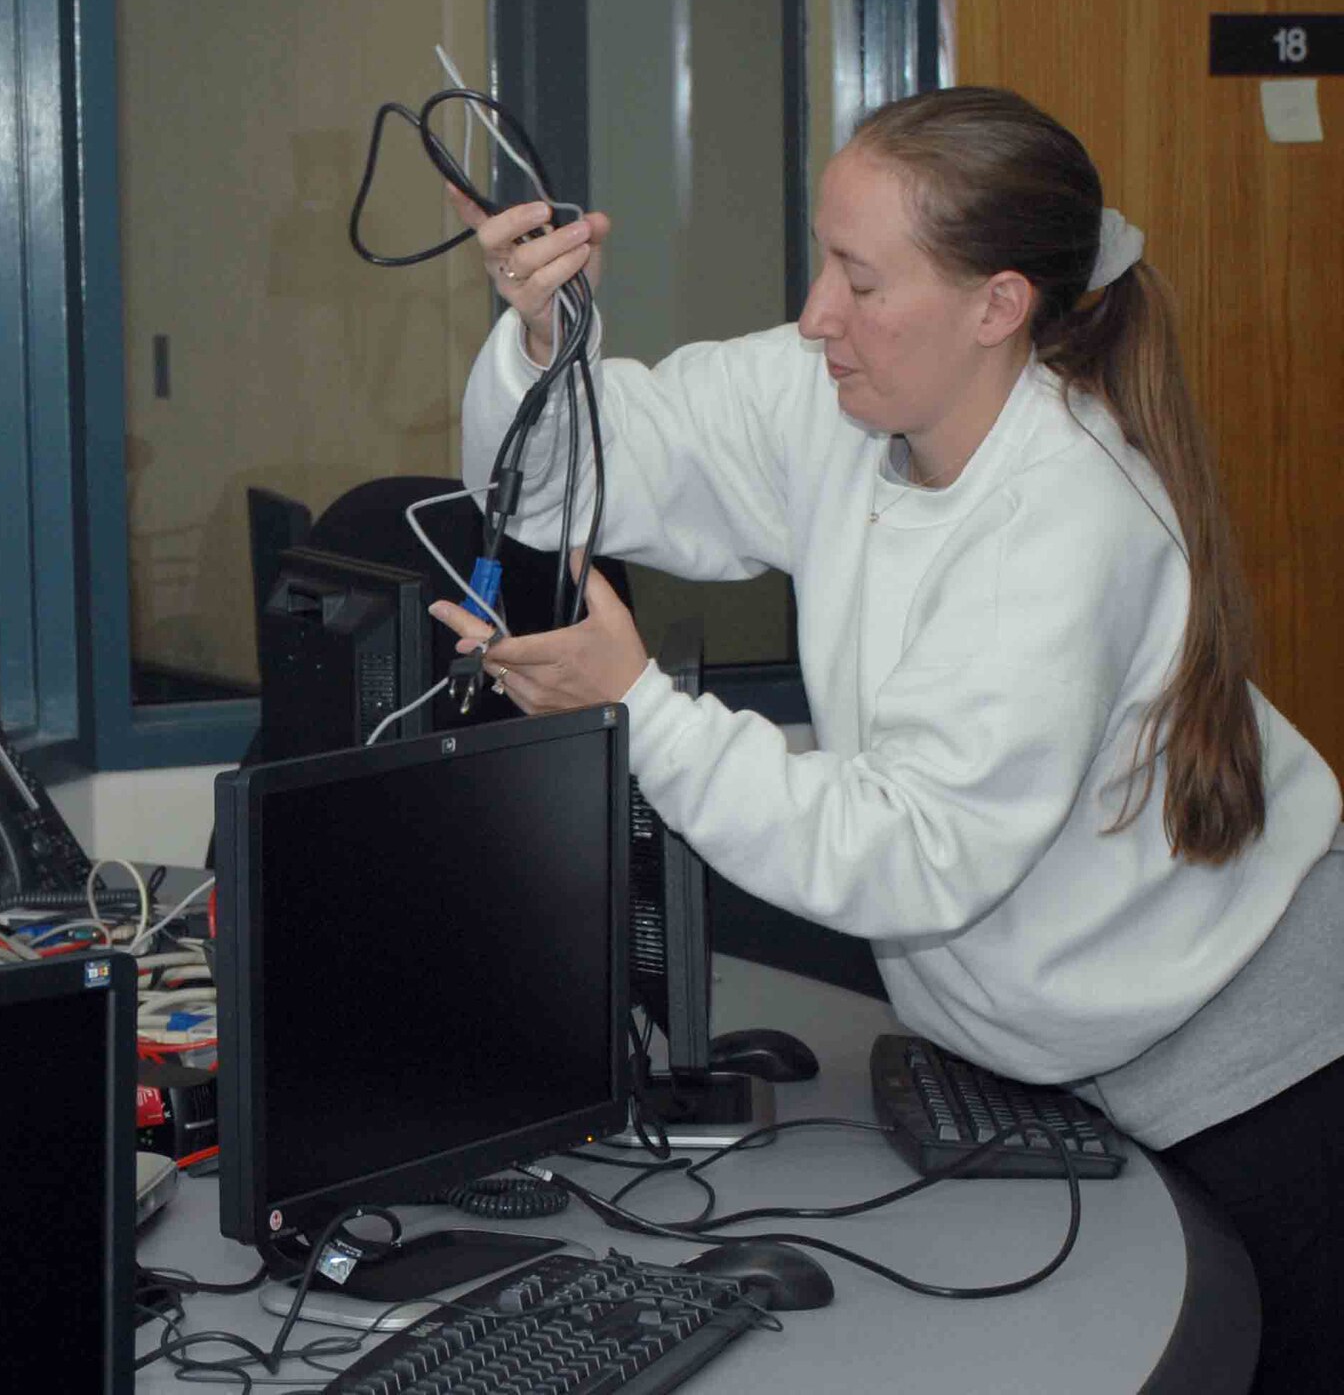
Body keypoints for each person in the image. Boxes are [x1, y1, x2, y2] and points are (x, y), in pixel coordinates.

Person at [430, 86, 1343, 1392]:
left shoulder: (1064, 518)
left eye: (861, 281)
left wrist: (639, 707)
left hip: (1263, 1065)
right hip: (1069, 1051)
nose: (817, 314)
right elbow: (569, 477)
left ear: (997, 305)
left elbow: (908, 851)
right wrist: (545, 338)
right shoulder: (844, 401)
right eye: (824, 262)